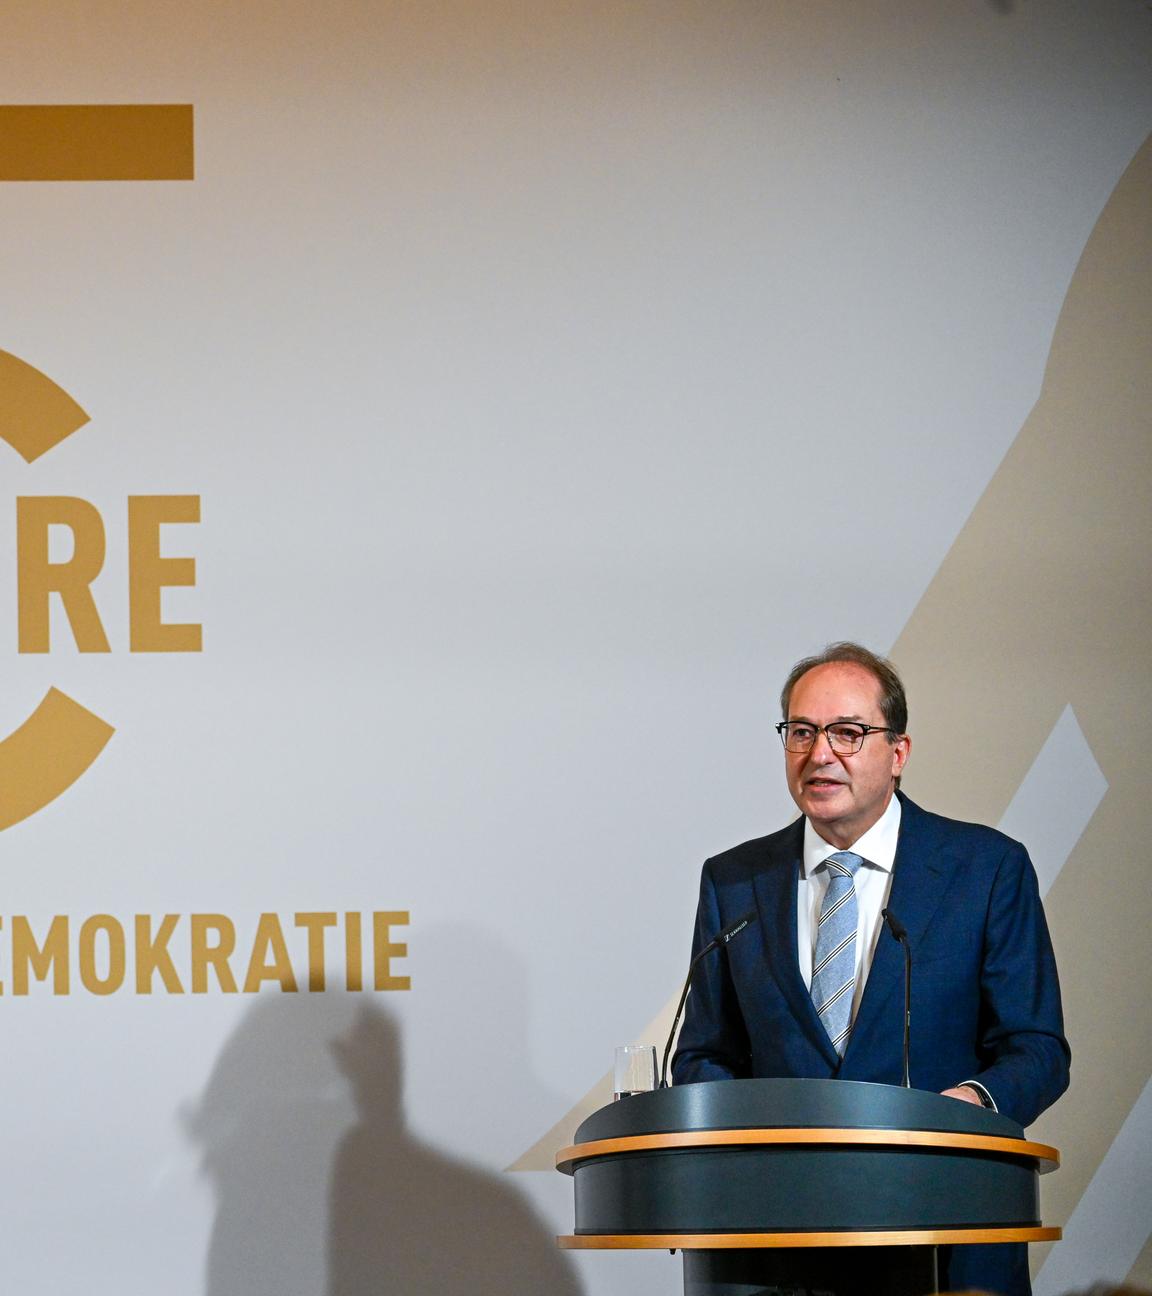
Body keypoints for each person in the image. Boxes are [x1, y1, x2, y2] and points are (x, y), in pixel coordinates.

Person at [672, 642, 1070, 1296]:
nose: (820, 753)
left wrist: (970, 1108)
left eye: (848, 733)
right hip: (771, 1244)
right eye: (801, 732)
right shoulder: (735, 881)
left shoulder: (985, 868)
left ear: (899, 753)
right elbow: (704, 1053)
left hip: (941, 1229)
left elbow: (1037, 1048)